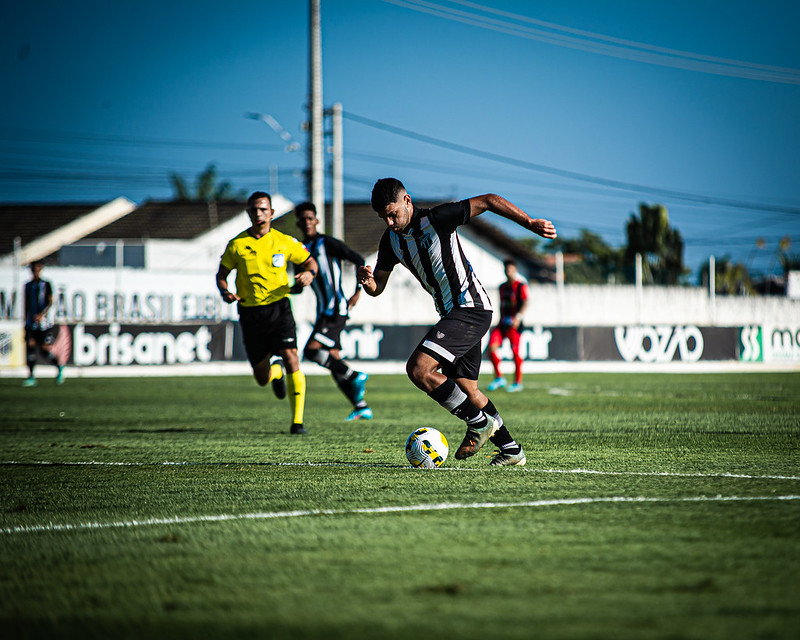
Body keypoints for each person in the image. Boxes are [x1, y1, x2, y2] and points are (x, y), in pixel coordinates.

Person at [358, 178, 556, 466]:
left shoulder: (437, 218)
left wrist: (529, 222)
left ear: (407, 201)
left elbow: (488, 200)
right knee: (467, 389)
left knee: (419, 369)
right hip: (453, 314)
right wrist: (368, 283)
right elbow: (378, 287)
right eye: (383, 217)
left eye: (392, 214)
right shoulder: (391, 241)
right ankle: (511, 449)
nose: (389, 222)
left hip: (471, 308)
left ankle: (478, 423)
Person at [216, 191, 318, 434]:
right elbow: (221, 275)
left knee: (292, 357)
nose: (259, 213)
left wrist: (309, 274)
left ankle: (297, 423)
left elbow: (310, 262)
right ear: (248, 213)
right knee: (261, 377)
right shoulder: (237, 245)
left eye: (263, 209)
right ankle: (275, 373)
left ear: (271, 213)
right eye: (254, 209)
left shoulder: (284, 241)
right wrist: (225, 291)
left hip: (279, 308)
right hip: (250, 314)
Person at [294, 202, 372, 421]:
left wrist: (358, 291)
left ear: (317, 220)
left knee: (311, 351)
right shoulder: (299, 251)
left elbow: (358, 259)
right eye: (303, 219)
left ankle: (354, 375)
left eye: (310, 218)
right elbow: (299, 287)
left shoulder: (326, 243)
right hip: (324, 311)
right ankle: (361, 406)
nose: (307, 222)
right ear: (298, 223)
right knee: (334, 360)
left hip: (335, 309)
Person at [487, 259, 529, 392]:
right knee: (491, 347)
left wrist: (518, 317)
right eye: (506, 270)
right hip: (502, 324)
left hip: (514, 324)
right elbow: (502, 305)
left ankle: (517, 382)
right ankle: (499, 378)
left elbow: (525, 302)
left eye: (510, 270)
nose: (508, 272)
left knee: (515, 352)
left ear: (515, 271)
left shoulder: (521, 286)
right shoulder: (502, 287)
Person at [23, 260, 65, 387]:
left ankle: (59, 366)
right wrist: (26, 321)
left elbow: (50, 302)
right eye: (33, 269)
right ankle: (31, 377)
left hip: (45, 324)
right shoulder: (28, 286)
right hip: (31, 324)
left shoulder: (46, 285)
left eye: (37, 268)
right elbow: (26, 305)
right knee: (30, 347)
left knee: (44, 350)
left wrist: (42, 314)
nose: (35, 271)